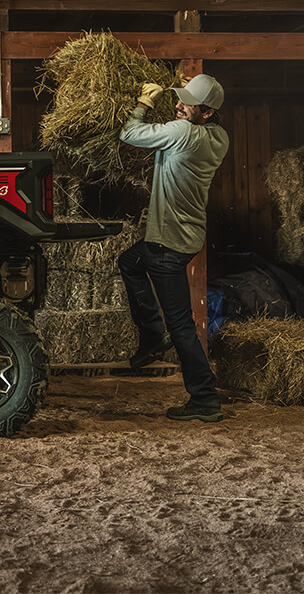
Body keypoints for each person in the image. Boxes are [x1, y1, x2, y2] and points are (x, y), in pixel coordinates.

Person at [118, 73, 229, 423]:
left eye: (187, 103)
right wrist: (191, 89)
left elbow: (129, 134)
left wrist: (143, 104)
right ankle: (152, 334)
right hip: (187, 238)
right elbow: (192, 111)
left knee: (181, 324)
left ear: (207, 112)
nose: (178, 105)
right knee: (130, 262)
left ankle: (204, 398)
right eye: (178, 99)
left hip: (166, 242)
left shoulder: (182, 133)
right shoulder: (219, 137)